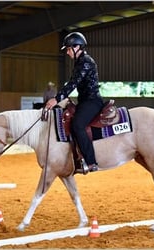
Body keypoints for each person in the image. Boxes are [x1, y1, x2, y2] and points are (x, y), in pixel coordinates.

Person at [45, 32, 104, 173]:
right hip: (84, 101)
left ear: (77, 47)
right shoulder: (80, 62)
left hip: (92, 101)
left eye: (68, 49)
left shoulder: (86, 62)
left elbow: (72, 83)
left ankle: (91, 162)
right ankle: (76, 158)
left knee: (77, 125)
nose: (67, 52)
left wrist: (57, 98)